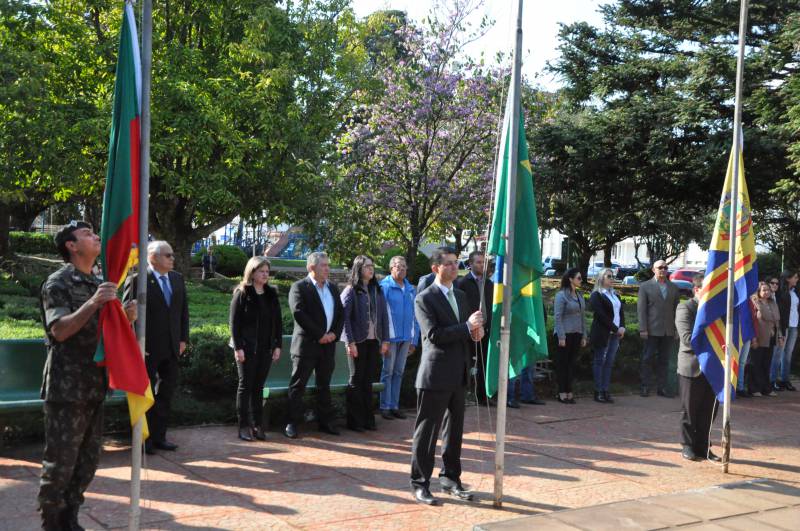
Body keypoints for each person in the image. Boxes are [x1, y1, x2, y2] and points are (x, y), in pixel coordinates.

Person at [38, 221, 137, 530]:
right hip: (67, 389)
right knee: (60, 465)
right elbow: (60, 330)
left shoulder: (99, 280)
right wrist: (95, 302)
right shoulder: (59, 282)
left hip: (95, 384)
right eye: (87, 235)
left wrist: (125, 318)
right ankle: (52, 523)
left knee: (87, 462)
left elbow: (105, 332)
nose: (96, 238)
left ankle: (71, 519)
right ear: (71, 246)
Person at [410, 247, 484, 505]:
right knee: (427, 431)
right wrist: (466, 327)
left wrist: (475, 333)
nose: (455, 268)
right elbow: (434, 335)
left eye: (456, 263)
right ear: (436, 269)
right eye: (449, 264)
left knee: (454, 431)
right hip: (435, 373)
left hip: (459, 371)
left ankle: (451, 479)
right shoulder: (424, 298)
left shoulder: (462, 296)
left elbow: (465, 331)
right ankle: (420, 483)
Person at [123, 241, 189, 455]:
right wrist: (136, 345)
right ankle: (144, 439)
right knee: (146, 395)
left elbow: (183, 312)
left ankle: (160, 436)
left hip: (172, 347)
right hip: (147, 348)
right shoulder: (138, 280)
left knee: (166, 393)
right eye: (167, 255)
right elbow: (127, 316)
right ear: (152, 257)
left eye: (172, 255)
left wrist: (183, 339)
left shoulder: (177, 279)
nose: (172, 258)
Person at [284, 252, 344, 439]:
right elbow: (299, 313)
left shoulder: (333, 288)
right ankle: (292, 423)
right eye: (324, 265)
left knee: (323, 385)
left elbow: (340, 313)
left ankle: (325, 422)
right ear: (312, 268)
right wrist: (320, 335)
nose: (328, 268)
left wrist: (333, 333)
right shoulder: (299, 287)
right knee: (298, 385)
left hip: (327, 346)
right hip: (307, 345)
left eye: (328, 265)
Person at [229, 256, 283, 441]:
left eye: (267, 272)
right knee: (246, 386)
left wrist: (277, 345)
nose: (265, 275)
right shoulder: (242, 293)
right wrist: (238, 348)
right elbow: (234, 323)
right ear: (252, 272)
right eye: (262, 271)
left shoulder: (271, 294)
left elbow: (278, 322)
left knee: (259, 386)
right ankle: (243, 425)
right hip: (246, 348)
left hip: (265, 348)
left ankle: (257, 425)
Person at [341, 255, 390, 432]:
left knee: (368, 381)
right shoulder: (351, 290)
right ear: (359, 269)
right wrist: (350, 342)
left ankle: (369, 419)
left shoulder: (377, 290)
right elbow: (344, 318)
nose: (371, 269)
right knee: (356, 380)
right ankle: (355, 422)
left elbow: (384, 316)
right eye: (367, 266)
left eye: (372, 266)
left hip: (372, 342)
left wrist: (385, 339)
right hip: (357, 341)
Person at [675, 273, 721, 462]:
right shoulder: (685, 308)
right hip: (692, 366)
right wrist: (714, 340)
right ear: (697, 290)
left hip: (713, 367)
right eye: (708, 289)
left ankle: (704, 446)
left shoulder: (716, 310)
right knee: (690, 410)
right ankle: (687, 446)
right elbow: (687, 339)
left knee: (709, 410)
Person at [379, 256, 419, 420]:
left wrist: (414, 339)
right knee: (387, 372)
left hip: (406, 338)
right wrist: (384, 339)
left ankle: (394, 405)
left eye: (404, 266)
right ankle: (385, 406)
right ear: (391, 268)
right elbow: (380, 316)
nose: (401, 269)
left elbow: (416, 316)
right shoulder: (384, 287)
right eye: (397, 266)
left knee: (399, 372)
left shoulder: (411, 289)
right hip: (390, 338)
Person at [636, 260, 680, 398]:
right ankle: (645, 386)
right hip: (651, 329)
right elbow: (641, 310)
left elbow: (676, 310)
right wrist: (643, 328)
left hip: (668, 330)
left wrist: (677, 329)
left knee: (664, 360)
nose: (663, 269)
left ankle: (662, 388)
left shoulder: (673, 287)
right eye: (660, 267)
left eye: (665, 267)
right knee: (647, 358)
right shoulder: (645, 286)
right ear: (653, 270)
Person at [454, 251, 493, 403]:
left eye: (484, 262)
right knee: (468, 363)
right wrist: (470, 326)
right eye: (478, 262)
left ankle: (483, 395)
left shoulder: (489, 284)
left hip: (486, 330)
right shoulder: (462, 283)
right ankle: (467, 393)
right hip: (469, 330)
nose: (481, 265)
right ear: (470, 264)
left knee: (484, 364)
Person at [589, 267, 625, 403]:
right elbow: (601, 316)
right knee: (599, 361)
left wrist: (622, 327)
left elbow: (621, 313)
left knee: (609, 363)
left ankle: (605, 390)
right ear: (601, 278)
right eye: (609, 276)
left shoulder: (616, 295)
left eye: (612, 276)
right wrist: (616, 329)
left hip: (615, 334)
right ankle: (598, 391)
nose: (611, 279)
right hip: (603, 334)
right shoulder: (596, 295)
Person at [553, 267, 587, 404]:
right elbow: (557, 317)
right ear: (570, 279)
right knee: (563, 365)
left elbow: (582, 317)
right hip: (564, 335)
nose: (581, 280)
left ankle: (569, 392)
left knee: (571, 364)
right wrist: (561, 336)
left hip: (576, 334)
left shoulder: (579, 296)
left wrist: (584, 335)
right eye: (578, 278)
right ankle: (561, 392)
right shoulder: (561, 295)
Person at [750, 281, 784, 397]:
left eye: (768, 290)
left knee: (766, 363)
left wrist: (779, 336)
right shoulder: (754, 303)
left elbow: (777, 321)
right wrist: (753, 338)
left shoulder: (773, 302)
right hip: (759, 337)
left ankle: (766, 388)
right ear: (759, 291)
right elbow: (752, 321)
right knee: (756, 363)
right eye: (763, 290)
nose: (766, 292)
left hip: (771, 337)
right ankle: (755, 388)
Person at [772, 270, 798, 391]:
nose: (797, 279)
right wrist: (781, 330)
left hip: (794, 326)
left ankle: (784, 380)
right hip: (785, 326)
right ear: (788, 278)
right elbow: (781, 313)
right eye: (795, 277)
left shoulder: (794, 292)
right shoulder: (781, 293)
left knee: (787, 354)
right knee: (777, 354)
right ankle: (772, 381)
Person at [736, 297, 758, 398]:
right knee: (734, 361)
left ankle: (740, 388)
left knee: (742, 362)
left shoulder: (749, 300)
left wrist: (754, 337)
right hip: (736, 335)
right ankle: (731, 387)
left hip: (747, 334)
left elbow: (753, 318)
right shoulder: (734, 297)